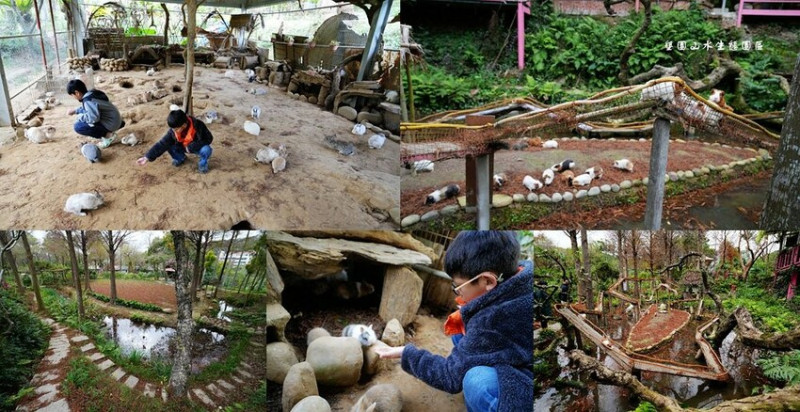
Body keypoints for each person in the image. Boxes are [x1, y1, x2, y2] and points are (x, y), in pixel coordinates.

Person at [374, 231, 533, 412]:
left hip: (524, 383)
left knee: (476, 382)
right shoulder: (519, 276)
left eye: (457, 286)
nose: (456, 291)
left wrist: (406, 353)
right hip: (519, 350)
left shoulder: (494, 320)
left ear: (488, 281)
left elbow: (449, 376)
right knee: (460, 331)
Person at [136, 109, 214, 173]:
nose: (173, 131)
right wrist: (147, 157)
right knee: (168, 145)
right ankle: (180, 158)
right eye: (172, 129)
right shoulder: (173, 131)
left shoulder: (198, 125)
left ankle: (202, 165)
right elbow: (161, 144)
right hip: (183, 147)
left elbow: (209, 138)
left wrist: (192, 146)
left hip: (195, 147)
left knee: (206, 149)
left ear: (184, 125)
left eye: (176, 129)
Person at [66, 79, 124, 148]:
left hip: (112, 123)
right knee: (87, 116)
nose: (73, 98)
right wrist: (76, 111)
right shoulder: (92, 93)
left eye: (72, 95)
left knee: (78, 126)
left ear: (77, 93)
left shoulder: (88, 101)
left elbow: (93, 118)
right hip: (116, 120)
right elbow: (87, 109)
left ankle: (108, 136)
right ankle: (110, 129)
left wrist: (79, 117)